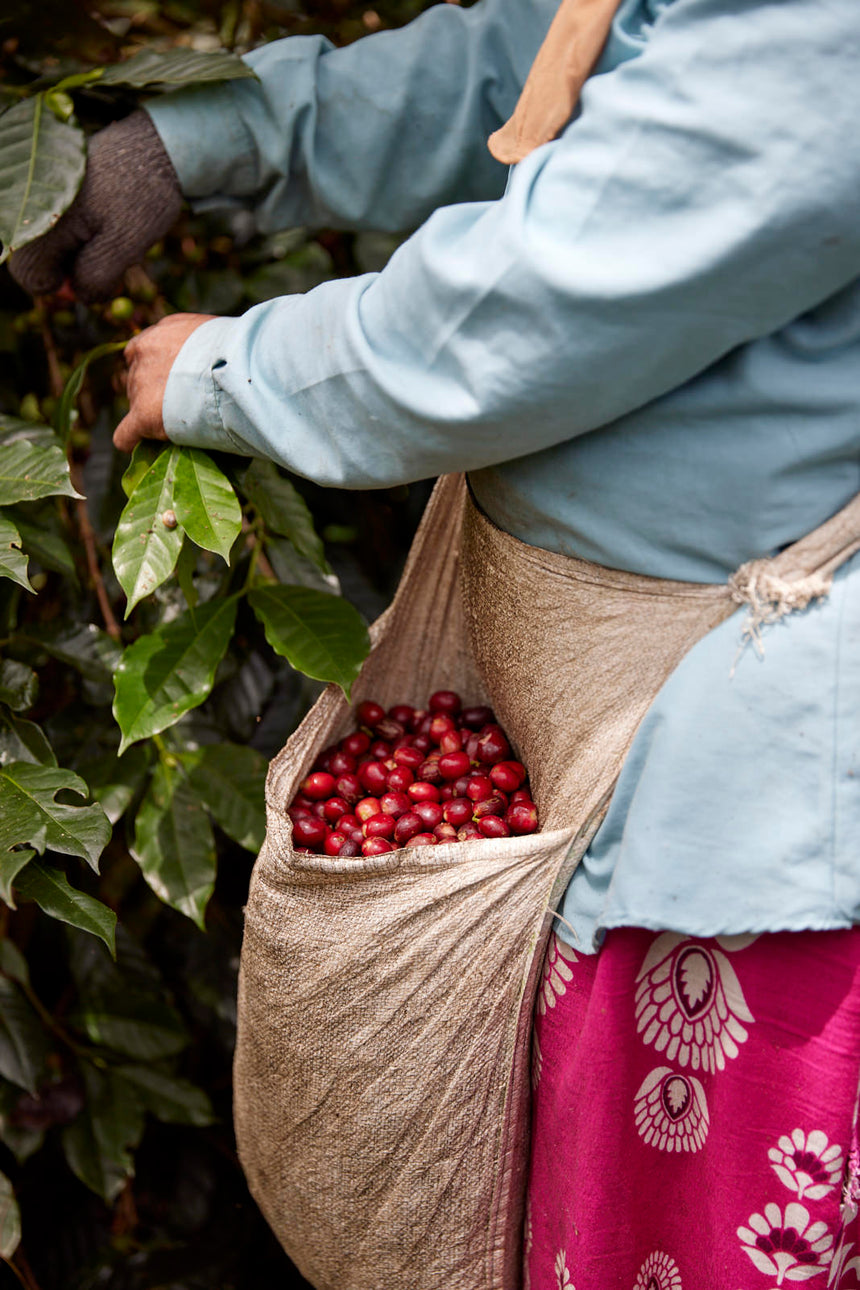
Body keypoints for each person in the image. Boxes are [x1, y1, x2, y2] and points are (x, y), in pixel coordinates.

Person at [11, 0, 860, 1285]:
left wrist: (239, 369)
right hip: (607, 702)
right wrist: (212, 133)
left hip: (756, 782)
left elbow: (570, 288)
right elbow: (562, 57)